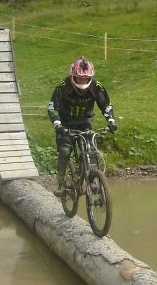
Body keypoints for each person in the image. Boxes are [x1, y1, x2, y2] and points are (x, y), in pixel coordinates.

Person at [48, 57, 117, 196]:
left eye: (86, 79)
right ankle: (61, 183)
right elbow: (52, 108)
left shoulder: (96, 86)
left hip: (85, 122)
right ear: (73, 76)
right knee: (64, 151)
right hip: (65, 124)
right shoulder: (63, 86)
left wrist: (111, 121)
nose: (83, 82)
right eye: (79, 78)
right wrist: (57, 124)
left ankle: (92, 179)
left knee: (91, 150)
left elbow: (106, 105)